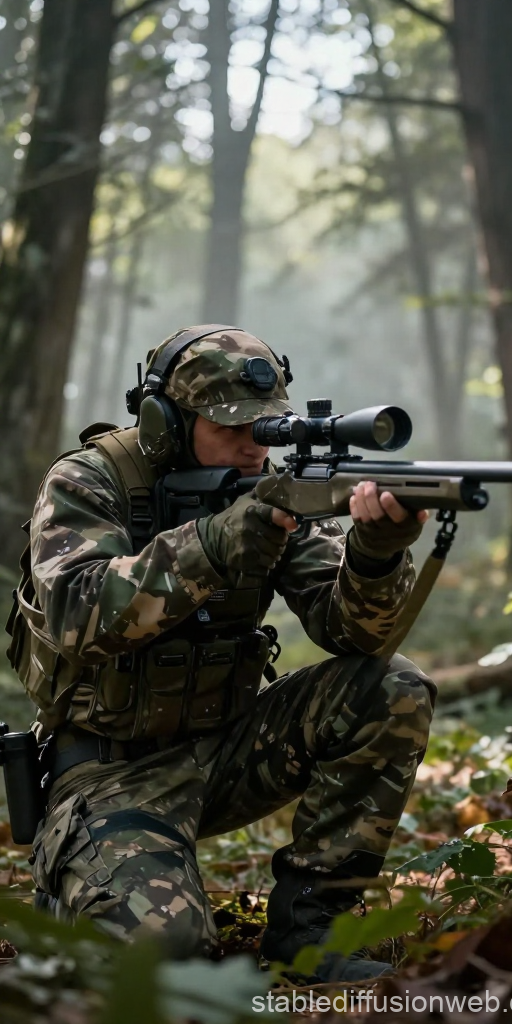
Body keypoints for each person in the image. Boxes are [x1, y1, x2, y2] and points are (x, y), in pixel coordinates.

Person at [25, 325, 435, 983]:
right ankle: (80, 872)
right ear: (165, 423)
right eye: (230, 428)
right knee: (165, 958)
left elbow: (355, 634)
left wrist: (376, 554)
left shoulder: (265, 491)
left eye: (265, 429)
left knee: (391, 688)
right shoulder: (90, 481)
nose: (253, 448)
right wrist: (215, 544)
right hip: (109, 771)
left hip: (227, 750)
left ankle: (312, 933)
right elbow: (79, 616)